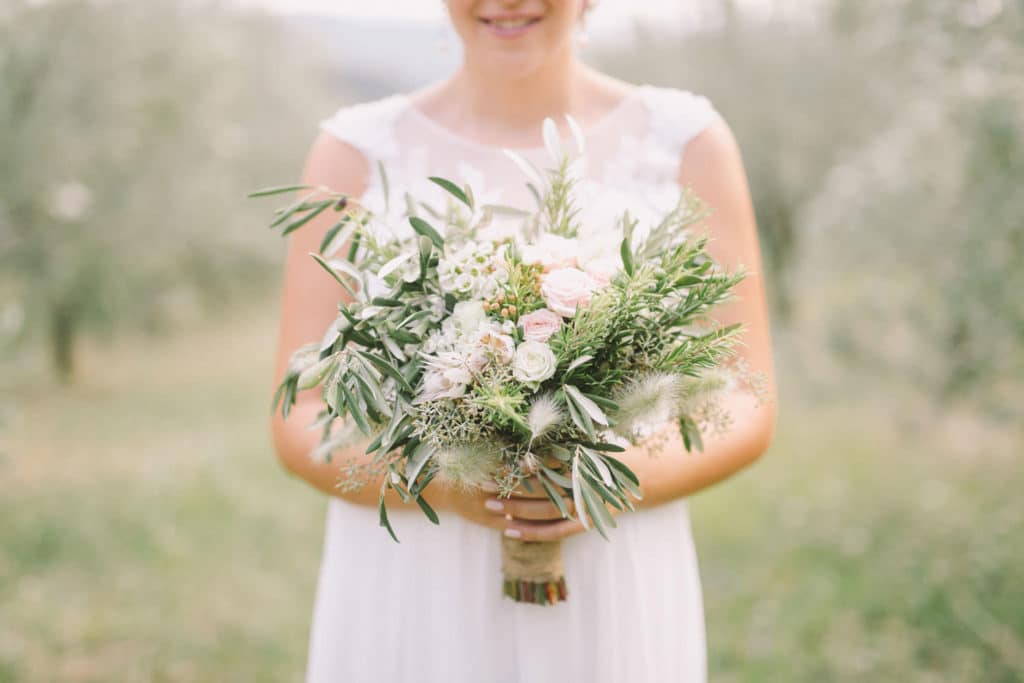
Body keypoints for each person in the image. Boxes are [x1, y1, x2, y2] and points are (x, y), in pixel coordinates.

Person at [269, 1, 777, 681]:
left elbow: (747, 398)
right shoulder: (353, 154)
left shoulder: (688, 142)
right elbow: (297, 416)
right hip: (416, 575)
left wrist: (608, 482)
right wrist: (445, 485)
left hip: (610, 568)